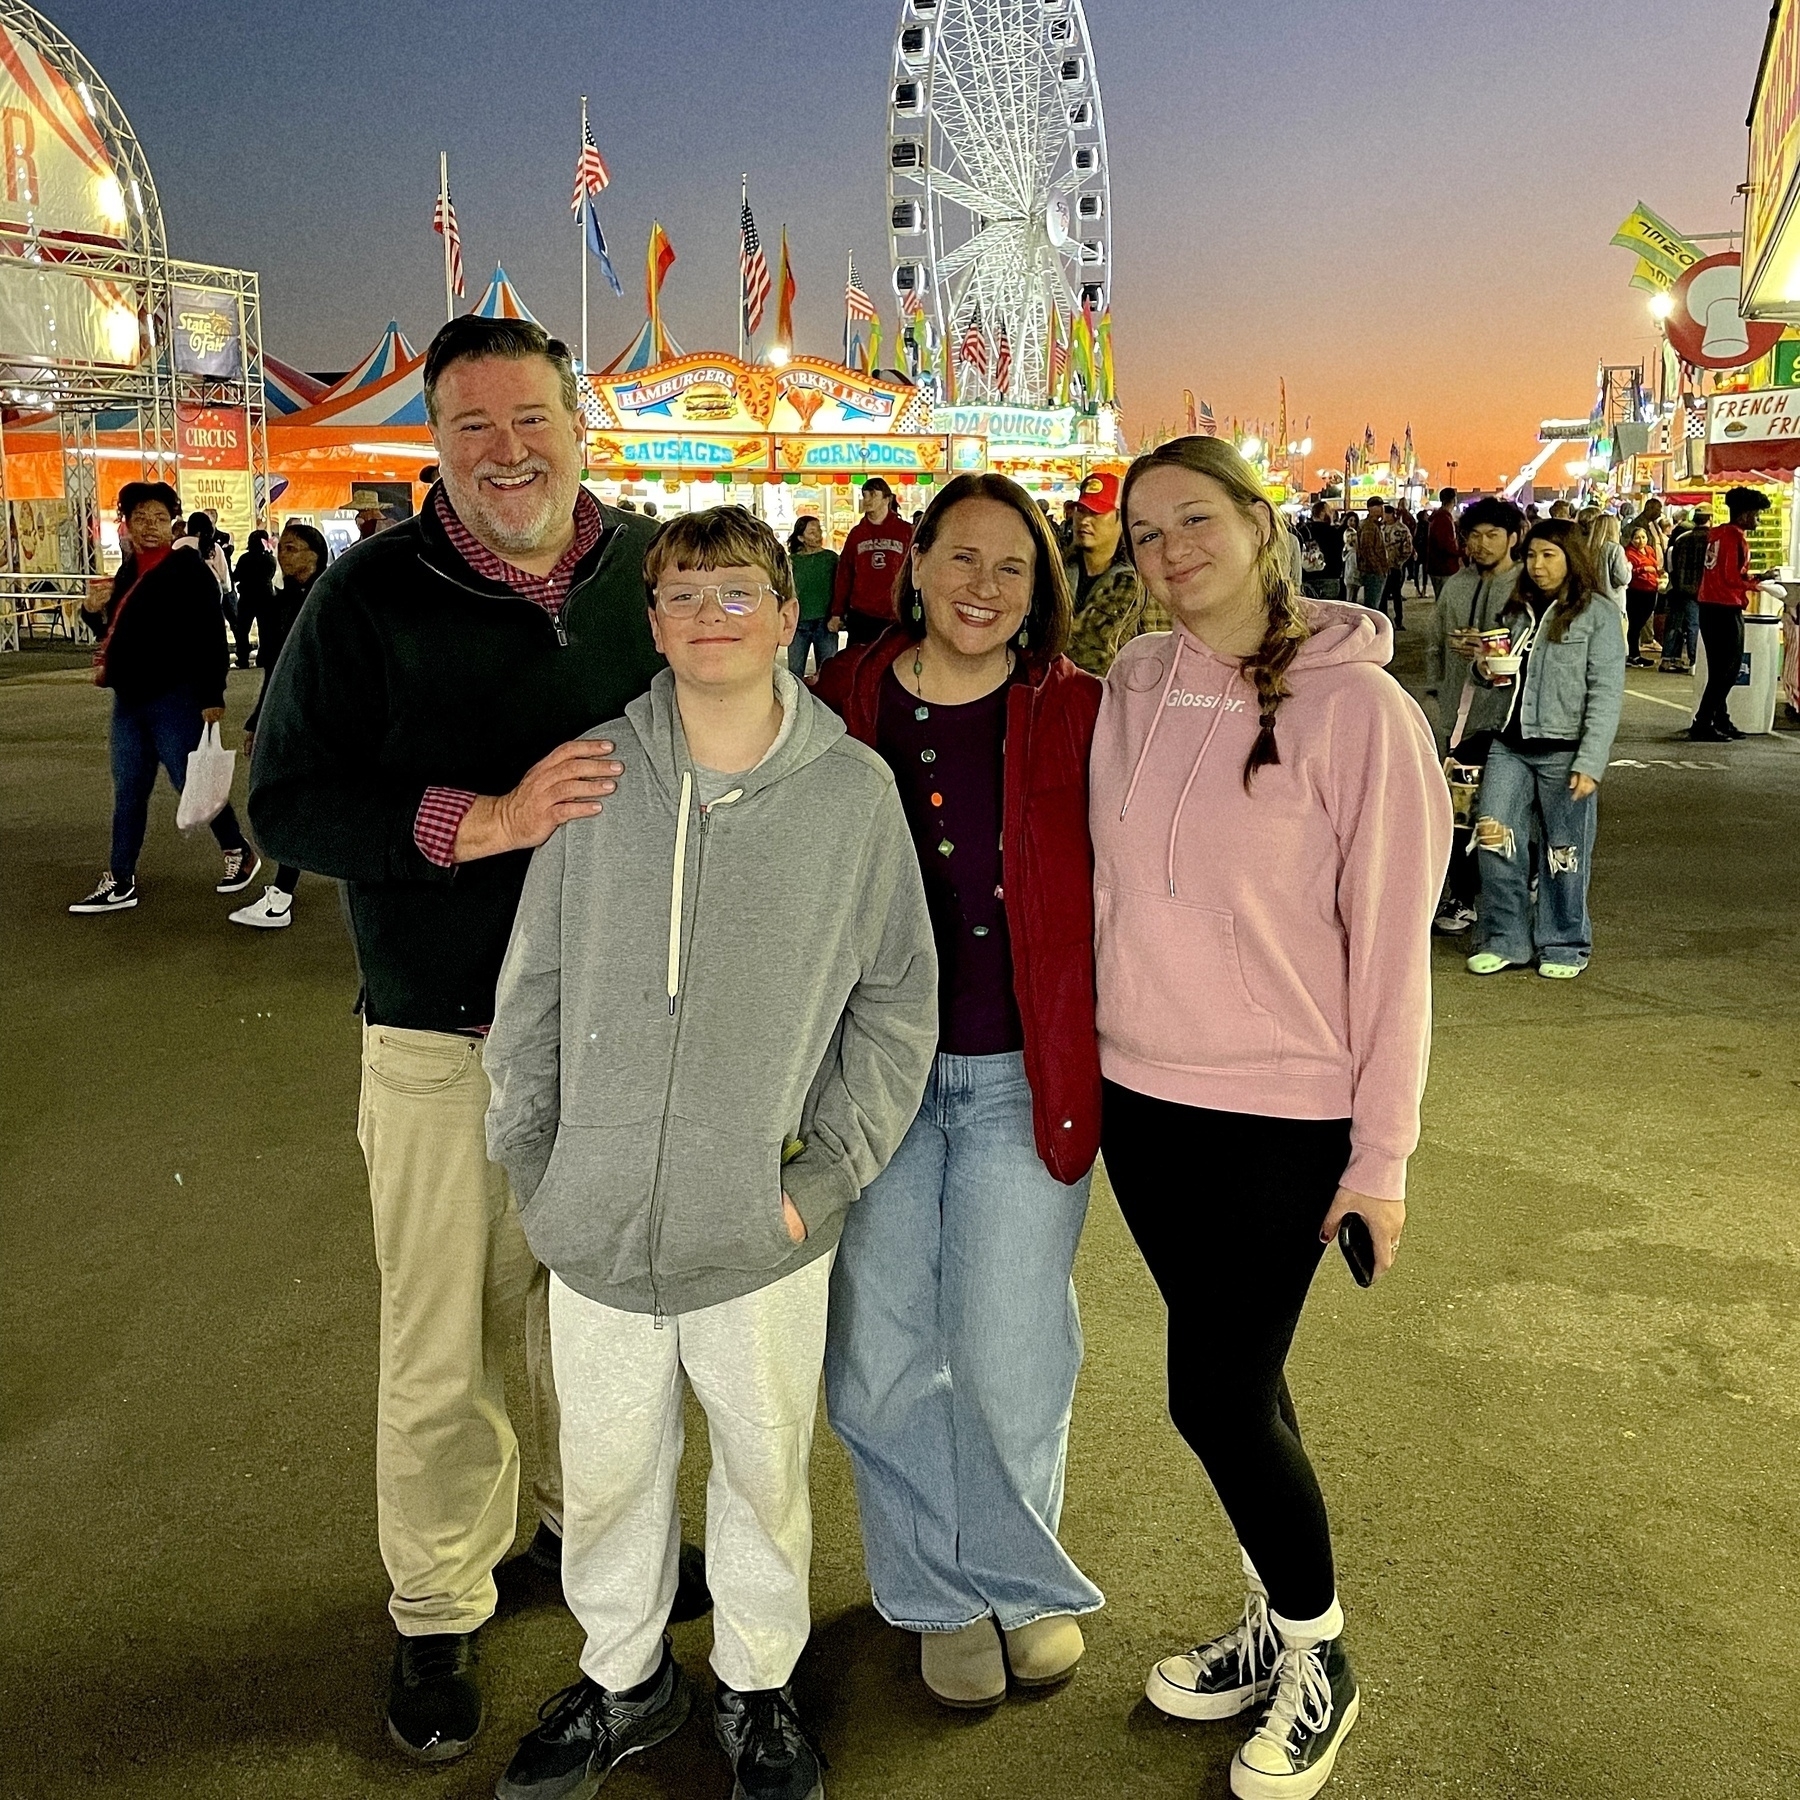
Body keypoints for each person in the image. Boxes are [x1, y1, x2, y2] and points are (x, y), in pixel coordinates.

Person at [249, 316, 706, 1764]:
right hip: (445, 1034)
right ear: (434, 441)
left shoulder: (659, 575)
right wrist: (482, 822)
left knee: (604, 1325)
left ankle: (591, 1538)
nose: (508, 452)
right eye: (474, 426)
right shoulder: (373, 593)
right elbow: (290, 802)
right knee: (443, 1334)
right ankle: (440, 1599)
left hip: (621, 1036)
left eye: (532, 421)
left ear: (583, 427)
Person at [485, 506, 936, 1800]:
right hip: (600, 1219)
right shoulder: (590, 776)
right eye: (684, 598)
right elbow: (534, 993)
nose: (711, 619)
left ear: (791, 615)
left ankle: (755, 1684)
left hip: (761, 1228)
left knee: (760, 1465)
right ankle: (623, 1676)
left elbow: (897, 1000)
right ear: (653, 623)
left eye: (739, 594)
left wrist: (821, 1176)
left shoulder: (851, 799)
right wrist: (539, 1168)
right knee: (614, 1468)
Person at [1094, 437, 1450, 1800]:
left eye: (1196, 519)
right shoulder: (1132, 681)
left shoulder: (1362, 714)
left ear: (1260, 524)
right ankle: (1269, 1621)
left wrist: (1384, 1159)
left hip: (1282, 1116)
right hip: (1144, 1104)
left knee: (1214, 1395)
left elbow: (1393, 955)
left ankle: (1321, 1656)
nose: (1169, 549)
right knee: (1252, 1382)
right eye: (1143, 533)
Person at [813, 473, 1105, 1711]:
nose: (984, 586)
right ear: (913, 562)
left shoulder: (1080, 710)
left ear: (1040, 590)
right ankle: (936, 1591)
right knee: (880, 1357)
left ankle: (1020, 1578)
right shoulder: (840, 701)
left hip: (1018, 1078)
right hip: (870, 1080)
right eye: (963, 558)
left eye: (1013, 568)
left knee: (1006, 1353)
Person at [69, 483, 261, 915]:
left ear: (172, 523)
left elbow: (212, 635)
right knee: (129, 790)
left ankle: (237, 849)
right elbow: (111, 636)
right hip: (129, 700)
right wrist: (90, 610)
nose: (150, 527)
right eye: (141, 518)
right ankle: (120, 879)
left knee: (190, 782)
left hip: (176, 698)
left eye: (159, 519)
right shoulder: (127, 571)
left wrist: (214, 695)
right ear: (127, 524)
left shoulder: (187, 569)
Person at [1466, 519, 1624, 980]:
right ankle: (1505, 938)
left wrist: (1592, 761)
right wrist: (1483, 668)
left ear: (1571, 558)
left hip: (1565, 752)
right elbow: (1496, 681)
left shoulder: (1597, 614)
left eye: (1548, 555)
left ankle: (1565, 942)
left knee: (1564, 853)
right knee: (1494, 840)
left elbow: (1606, 692)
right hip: (1509, 747)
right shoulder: (1517, 611)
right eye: (1532, 555)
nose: (1537, 566)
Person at [1423, 497, 1526, 935]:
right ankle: (1461, 897)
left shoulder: (1526, 585)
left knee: (1507, 810)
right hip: (1457, 717)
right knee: (1458, 809)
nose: (1481, 545)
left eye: (1492, 535)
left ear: (1513, 538)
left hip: (1508, 719)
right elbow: (1435, 642)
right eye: (1474, 536)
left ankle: (1516, 889)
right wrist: (1436, 692)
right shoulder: (1457, 585)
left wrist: (1487, 651)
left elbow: (1529, 648)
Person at [231, 524, 331, 929]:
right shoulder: (280, 604)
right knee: (302, 802)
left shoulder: (331, 598)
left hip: (326, 720)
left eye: (293, 548)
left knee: (297, 802)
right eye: (282, 549)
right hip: (292, 717)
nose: (284, 556)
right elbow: (275, 669)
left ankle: (281, 896)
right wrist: (259, 720)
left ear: (315, 553)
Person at [1691, 486, 1774, 742]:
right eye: (1757, 515)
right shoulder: (1734, 537)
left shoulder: (1716, 534)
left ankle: (1720, 719)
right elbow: (1731, 577)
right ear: (1745, 514)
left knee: (1719, 669)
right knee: (1728, 669)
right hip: (1725, 607)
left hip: (1709, 605)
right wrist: (1758, 581)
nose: (1758, 520)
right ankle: (1703, 721)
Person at [1063, 469, 1162, 675]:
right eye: (1081, 510)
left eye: (1096, 512)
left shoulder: (1141, 584)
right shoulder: (1056, 571)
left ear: (1122, 520)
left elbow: (1158, 648)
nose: (1084, 520)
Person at [833, 477, 914, 645]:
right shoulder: (857, 534)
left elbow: (917, 569)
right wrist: (837, 612)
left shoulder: (905, 532)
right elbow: (844, 574)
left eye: (872, 494)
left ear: (887, 498)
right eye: (864, 495)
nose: (867, 499)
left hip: (895, 614)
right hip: (861, 615)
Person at [786, 514, 840, 679]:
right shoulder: (792, 561)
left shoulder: (831, 558)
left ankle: (825, 705)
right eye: (812, 532)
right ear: (801, 537)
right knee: (794, 674)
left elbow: (841, 587)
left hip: (826, 623)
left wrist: (839, 615)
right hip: (799, 624)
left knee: (828, 674)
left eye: (819, 530)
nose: (818, 535)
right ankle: (796, 704)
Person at [1659, 507, 1710, 672]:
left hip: (1680, 589)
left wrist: (1677, 584)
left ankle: (1672, 659)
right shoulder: (1711, 540)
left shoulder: (1681, 540)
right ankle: (1695, 661)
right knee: (1695, 625)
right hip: (1703, 590)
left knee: (1680, 624)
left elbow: (1671, 566)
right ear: (1709, 519)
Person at [230, 528, 275, 668]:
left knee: (242, 629)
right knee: (265, 629)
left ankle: (243, 658)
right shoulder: (270, 559)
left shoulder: (245, 558)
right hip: (266, 596)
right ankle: (264, 658)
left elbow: (236, 576)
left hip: (247, 597)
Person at [1622, 525, 1662, 667]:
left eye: (1643, 537)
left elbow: (1656, 566)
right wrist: (1643, 569)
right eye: (1637, 538)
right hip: (1636, 591)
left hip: (1651, 590)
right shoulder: (1628, 553)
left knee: (1642, 620)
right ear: (1631, 539)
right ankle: (1632, 654)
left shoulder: (1649, 550)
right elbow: (1627, 572)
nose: (1641, 541)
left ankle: (1634, 653)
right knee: (1635, 623)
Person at [1354, 496, 1398, 619]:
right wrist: (1379, 569)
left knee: (1374, 603)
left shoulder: (1374, 525)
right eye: (1379, 506)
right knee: (1372, 605)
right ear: (1371, 508)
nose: (1382, 509)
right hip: (1373, 572)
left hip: (1374, 571)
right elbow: (1368, 550)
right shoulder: (1369, 526)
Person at [1299, 500, 1345, 601]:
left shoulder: (1303, 530)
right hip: (1329, 577)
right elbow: (1338, 553)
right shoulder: (1333, 532)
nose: (1331, 514)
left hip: (1307, 577)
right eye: (1329, 511)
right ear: (1323, 513)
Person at [1583, 511, 1629, 611]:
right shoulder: (1615, 549)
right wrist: (1629, 568)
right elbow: (1622, 578)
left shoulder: (1587, 548)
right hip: (1612, 602)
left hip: (1591, 602)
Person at [1421, 487, 1462, 598]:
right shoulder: (1444, 519)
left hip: (1438, 566)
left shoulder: (1438, 517)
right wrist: (1460, 552)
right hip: (1445, 567)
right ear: (1454, 500)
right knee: (1446, 603)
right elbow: (1446, 544)